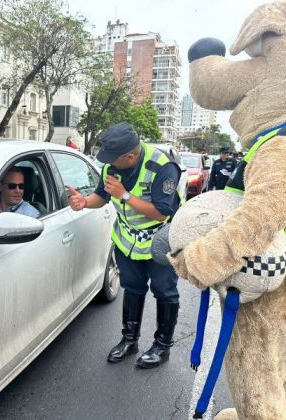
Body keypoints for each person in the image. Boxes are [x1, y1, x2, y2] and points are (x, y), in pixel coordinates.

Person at [68, 122, 181, 369]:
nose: (108, 164)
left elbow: (162, 213)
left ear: (130, 156)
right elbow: (102, 196)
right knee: (132, 289)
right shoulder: (112, 166)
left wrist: (125, 196)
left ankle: (162, 347)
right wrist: (84, 202)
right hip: (127, 241)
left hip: (159, 243)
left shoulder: (162, 167)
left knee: (165, 292)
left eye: (113, 159)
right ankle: (129, 340)